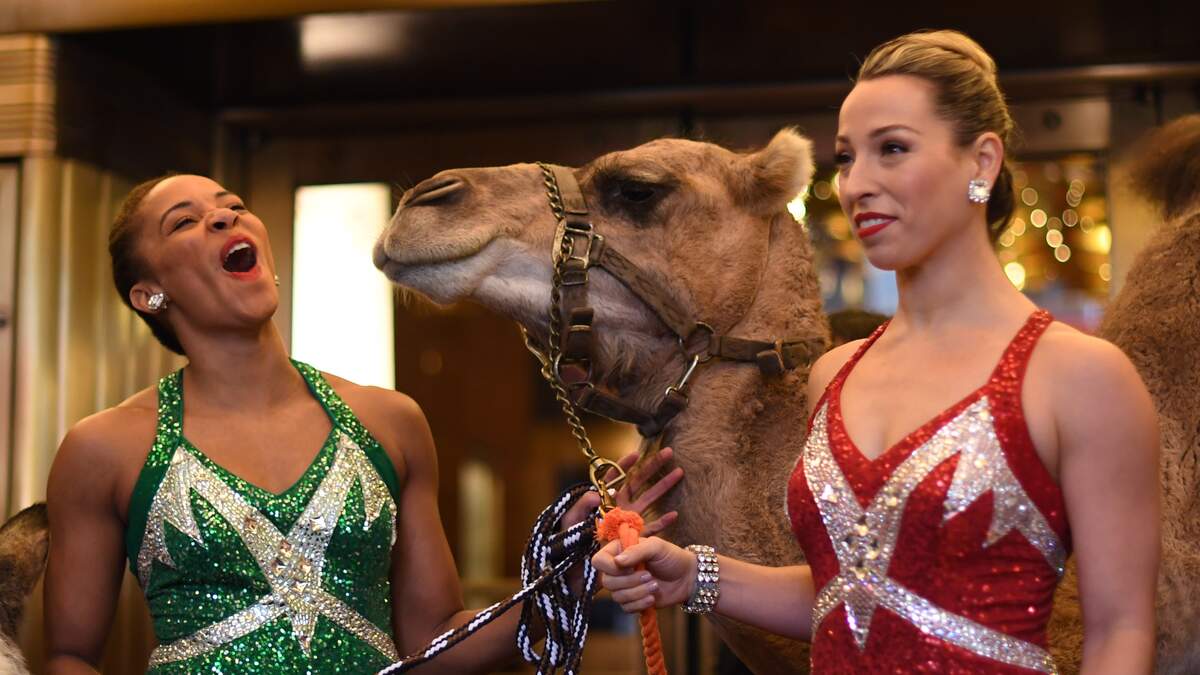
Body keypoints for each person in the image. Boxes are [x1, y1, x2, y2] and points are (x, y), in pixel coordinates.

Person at [594, 29, 1160, 674]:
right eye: (846, 158)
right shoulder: (835, 374)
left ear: (981, 162)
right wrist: (694, 574)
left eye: (892, 149)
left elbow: (1121, 631)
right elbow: (849, 594)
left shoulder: (1078, 375)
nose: (856, 183)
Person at [42, 173, 683, 674]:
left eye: (233, 206)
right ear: (149, 295)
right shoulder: (106, 448)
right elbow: (69, 657)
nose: (224, 217)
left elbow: (437, 644)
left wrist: (573, 567)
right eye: (184, 222)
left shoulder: (388, 422)